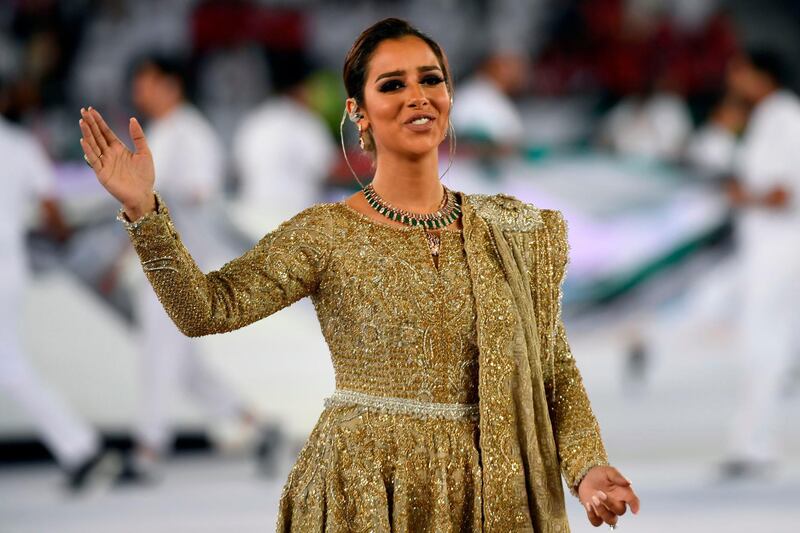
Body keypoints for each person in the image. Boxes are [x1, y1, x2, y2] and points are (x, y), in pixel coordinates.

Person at [78, 18, 639, 531]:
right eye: (392, 84)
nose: (417, 96)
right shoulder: (326, 234)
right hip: (365, 492)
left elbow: (552, 368)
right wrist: (143, 212)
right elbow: (206, 309)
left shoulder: (512, 231)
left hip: (494, 493)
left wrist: (586, 468)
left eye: (431, 80)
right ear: (358, 112)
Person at [119, 53, 282, 482]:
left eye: (147, 82)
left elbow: (200, 194)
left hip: (184, 261)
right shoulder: (160, 132)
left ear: (170, 84)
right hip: (161, 259)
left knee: (158, 355)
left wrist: (160, 195)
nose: (141, 92)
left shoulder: (191, 133)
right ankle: (256, 425)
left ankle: (147, 451)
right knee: (183, 367)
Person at [0, 76, 121, 492]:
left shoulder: (18, 144)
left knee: (9, 366)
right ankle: (79, 448)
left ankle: (81, 449)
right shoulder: (19, 145)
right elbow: (51, 209)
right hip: (10, 266)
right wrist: (63, 236)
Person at [716, 48, 800, 478]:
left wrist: (741, 197)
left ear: (759, 75)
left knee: (765, 343)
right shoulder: (764, 118)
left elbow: (785, 192)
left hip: (781, 245)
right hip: (763, 246)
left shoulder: (785, 117)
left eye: (739, 72)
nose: (734, 82)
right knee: (765, 343)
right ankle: (753, 441)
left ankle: (755, 444)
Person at [232, 50, 335, 233]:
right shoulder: (305, 122)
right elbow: (329, 169)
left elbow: (238, 171)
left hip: (251, 221)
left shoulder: (255, 120)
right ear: (301, 88)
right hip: (294, 222)